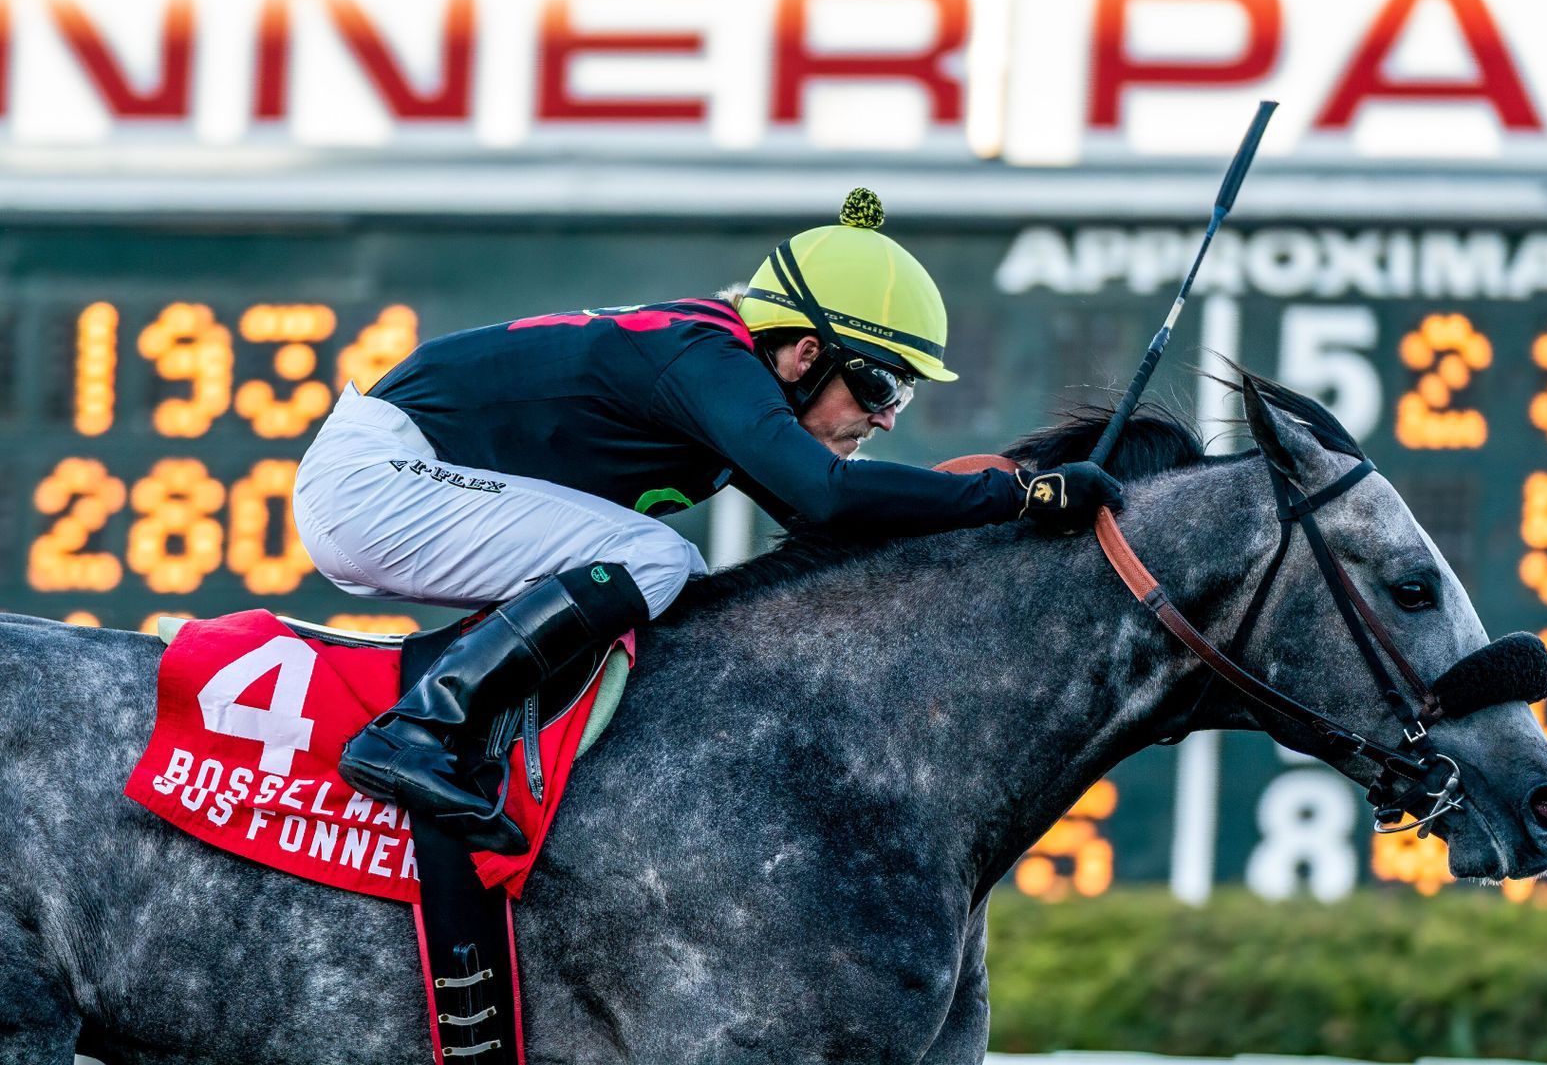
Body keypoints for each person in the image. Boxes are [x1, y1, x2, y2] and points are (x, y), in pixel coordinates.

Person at [291, 189, 1124, 853]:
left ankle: (502, 749)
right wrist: (1024, 496)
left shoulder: (727, 376)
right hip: (376, 483)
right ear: (805, 353)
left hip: (400, 482)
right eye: (880, 388)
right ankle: (419, 731)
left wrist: (1001, 532)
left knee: (673, 578)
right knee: (655, 558)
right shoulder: (709, 357)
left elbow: (832, 523)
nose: (890, 417)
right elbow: (832, 493)